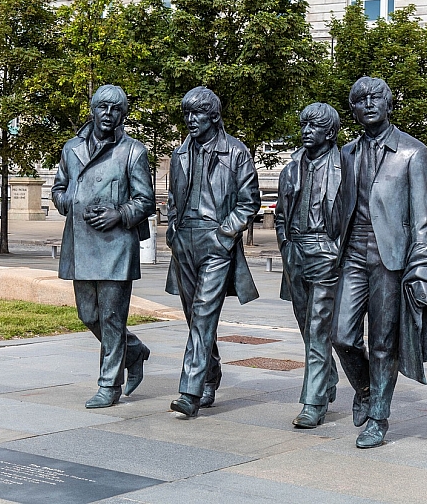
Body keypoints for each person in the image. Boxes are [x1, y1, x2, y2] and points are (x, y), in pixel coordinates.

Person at [332, 77, 427, 448]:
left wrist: (420, 266)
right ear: (354, 109)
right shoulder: (346, 153)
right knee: (341, 335)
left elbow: (423, 220)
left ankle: (378, 416)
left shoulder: (412, 152)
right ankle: (365, 387)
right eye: (361, 99)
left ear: (389, 105)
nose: (369, 104)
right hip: (353, 253)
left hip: (392, 258)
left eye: (377, 98)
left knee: (382, 342)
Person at [51, 84, 155, 409]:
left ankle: (109, 385)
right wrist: (69, 200)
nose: (108, 115)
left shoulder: (133, 151)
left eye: (115, 110)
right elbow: (57, 188)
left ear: (123, 115)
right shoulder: (72, 148)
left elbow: (146, 200)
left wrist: (119, 214)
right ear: (93, 110)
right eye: (103, 108)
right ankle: (134, 349)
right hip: (81, 244)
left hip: (116, 245)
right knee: (88, 315)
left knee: (111, 317)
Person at [165, 86, 260, 417]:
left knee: (204, 316)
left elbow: (250, 202)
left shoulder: (235, 152)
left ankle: (189, 393)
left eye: (197, 114)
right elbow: (173, 200)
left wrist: (225, 232)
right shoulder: (180, 154)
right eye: (186, 114)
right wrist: (172, 230)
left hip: (216, 242)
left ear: (214, 116)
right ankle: (210, 374)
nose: (190, 120)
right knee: (195, 317)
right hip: (184, 244)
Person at [275, 102, 341, 429]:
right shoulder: (291, 168)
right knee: (305, 325)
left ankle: (313, 402)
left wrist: (338, 249)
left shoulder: (344, 167)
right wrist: (285, 246)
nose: (305, 132)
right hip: (295, 252)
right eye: (303, 125)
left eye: (313, 127)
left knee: (318, 327)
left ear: (330, 133)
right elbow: (279, 215)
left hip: (326, 251)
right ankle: (327, 376)